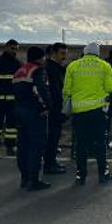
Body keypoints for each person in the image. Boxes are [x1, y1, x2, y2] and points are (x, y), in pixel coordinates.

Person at [62, 42, 112, 184]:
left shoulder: (72, 66)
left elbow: (66, 90)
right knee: (100, 143)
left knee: (81, 144)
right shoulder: (105, 66)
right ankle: (103, 173)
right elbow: (110, 88)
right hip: (97, 111)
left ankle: (81, 175)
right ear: (98, 53)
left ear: (85, 52)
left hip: (79, 112)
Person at [13, 47, 53, 191]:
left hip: (19, 110)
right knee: (36, 146)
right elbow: (41, 91)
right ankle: (34, 180)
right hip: (34, 112)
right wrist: (47, 107)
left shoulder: (20, 70)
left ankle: (24, 177)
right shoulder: (38, 70)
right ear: (40, 58)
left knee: (23, 146)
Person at [0, 39, 21, 159]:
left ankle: (10, 147)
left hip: (13, 101)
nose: (14, 51)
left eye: (16, 49)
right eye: (12, 48)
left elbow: (20, 83)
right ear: (6, 48)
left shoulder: (18, 64)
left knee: (12, 126)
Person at [43, 42, 68, 175]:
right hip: (54, 108)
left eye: (65, 53)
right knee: (52, 136)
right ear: (54, 53)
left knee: (55, 136)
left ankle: (52, 161)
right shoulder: (50, 68)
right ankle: (49, 164)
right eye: (62, 53)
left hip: (57, 107)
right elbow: (55, 90)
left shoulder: (58, 67)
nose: (64, 57)